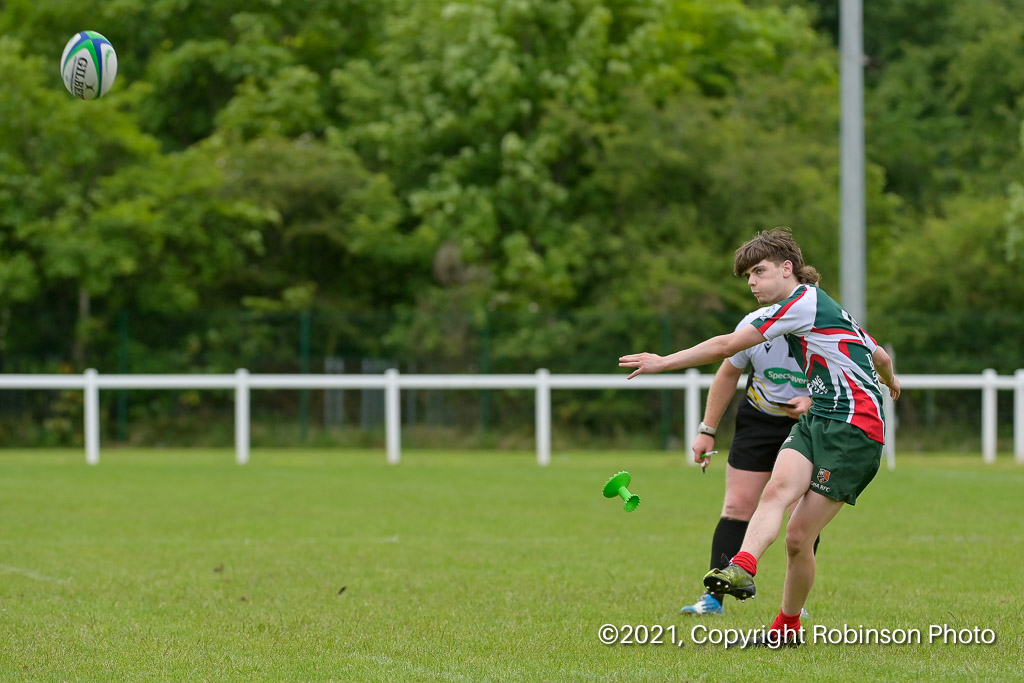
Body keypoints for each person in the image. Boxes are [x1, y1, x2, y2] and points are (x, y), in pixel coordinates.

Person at [620, 227, 899, 646]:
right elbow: (881, 355)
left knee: (798, 537)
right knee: (774, 493)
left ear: (788, 269)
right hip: (819, 418)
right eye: (747, 276)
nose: (752, 282)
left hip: (854, 430)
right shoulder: (819, 307)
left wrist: (664, 361)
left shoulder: (803, 303)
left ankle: (787, 625)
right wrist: (891, 382)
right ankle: (743, 567)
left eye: (759, 271)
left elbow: (726, 345)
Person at [680, 307, 813, 616]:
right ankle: (713, 599)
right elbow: (728, 373)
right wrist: (707, 431)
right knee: (737, 505)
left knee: (801, 517)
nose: (753, 285)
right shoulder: (754, 324)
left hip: (808, 423)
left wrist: (811, 401)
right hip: (758, 421)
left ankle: (796, 605)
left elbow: (848, 381)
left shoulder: (823, 325)